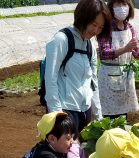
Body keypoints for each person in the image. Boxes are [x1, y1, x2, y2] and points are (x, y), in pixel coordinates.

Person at [43, 0, 110, 132]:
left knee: (82, 151)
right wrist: (58, 117)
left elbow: (93, 84)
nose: (96, 30)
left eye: (100, 27)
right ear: (82, 18)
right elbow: (50, 80)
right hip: (65, 110)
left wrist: (99, 116)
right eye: (93, 24)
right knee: (65, 151)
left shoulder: (90, 46)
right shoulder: (61, 40)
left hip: (85, 110)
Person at [96, 0, 139, 119]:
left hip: (126, 75)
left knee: (123, 113)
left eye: (124, 4)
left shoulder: (130, 27)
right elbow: (104, 54)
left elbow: (136, 53)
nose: (121, 8)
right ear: (111, 7)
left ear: (129, 7)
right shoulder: (106, 28)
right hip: (109, 75)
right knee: (109, 113)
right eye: (117, 5)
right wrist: (125, 49)